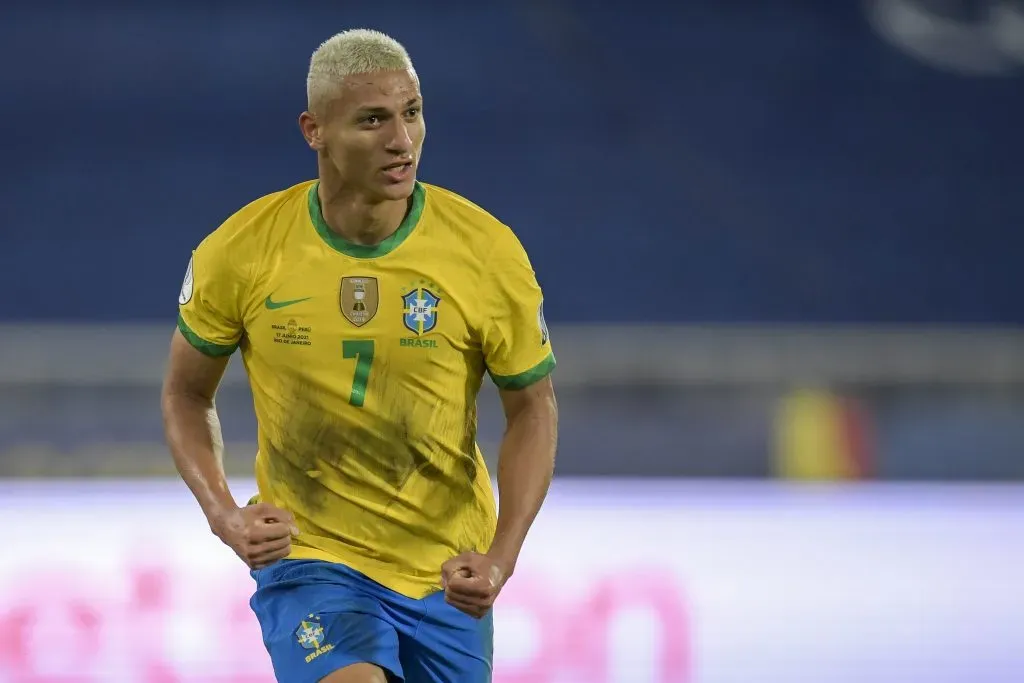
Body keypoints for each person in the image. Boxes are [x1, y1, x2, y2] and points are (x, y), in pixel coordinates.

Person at [160, 28, 558, 683]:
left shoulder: (487, 254)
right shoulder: (243, 250)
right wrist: (224, 514)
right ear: (314, 130)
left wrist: (501, 556)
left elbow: (533, 407)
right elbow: (184, 392)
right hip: (311, 558)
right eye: (373, 120)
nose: (402, 140)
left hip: (442, 571)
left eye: (412, 112)